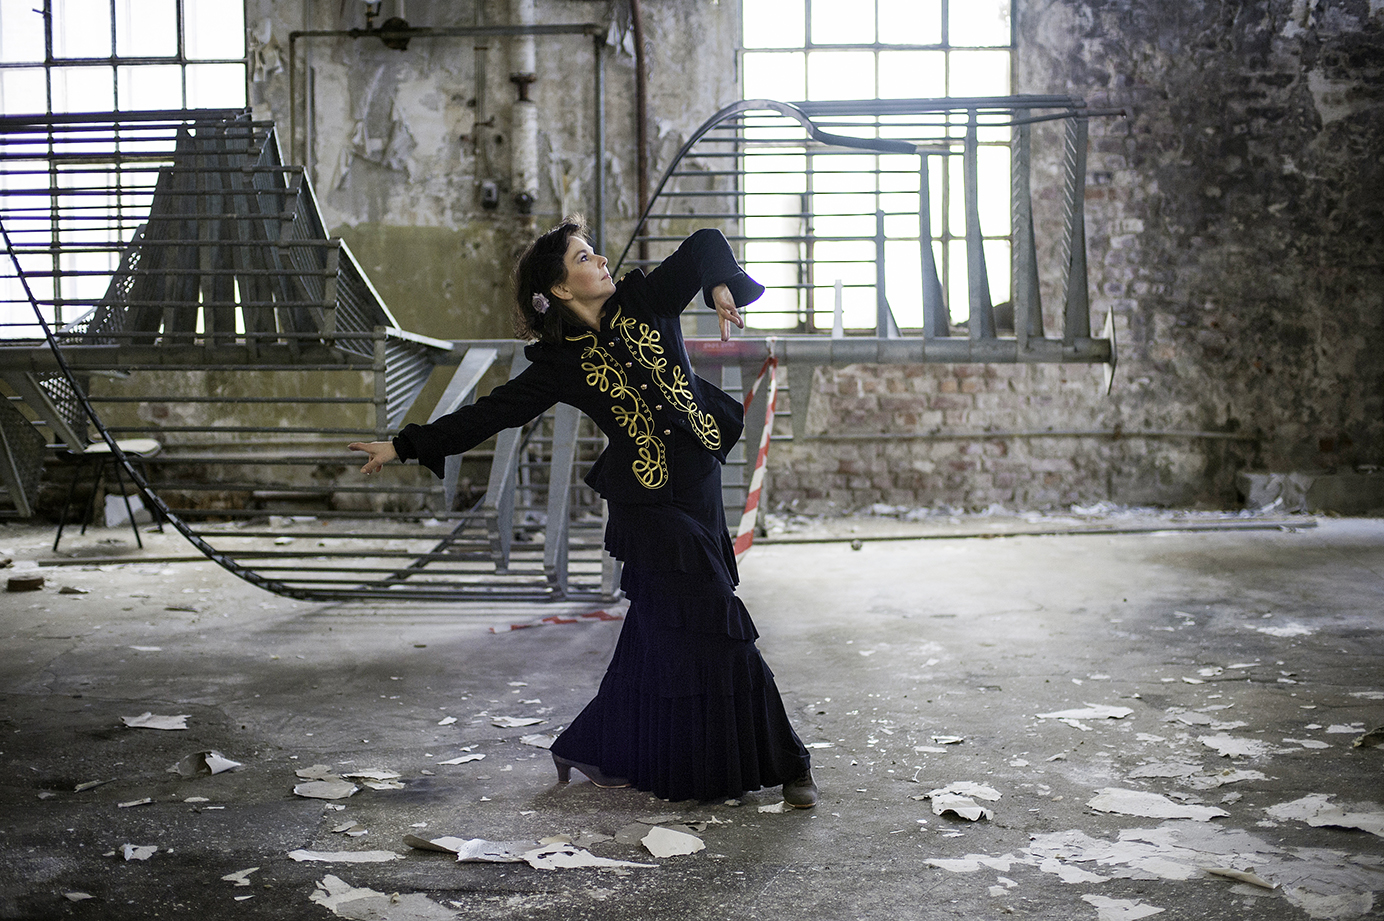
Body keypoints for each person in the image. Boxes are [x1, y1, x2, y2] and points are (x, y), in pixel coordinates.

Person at [348, 217, 816, 807]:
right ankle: (789, 761)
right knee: (714, 616)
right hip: (647, 503)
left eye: (594, 252)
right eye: (584, 257)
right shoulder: (559, 362)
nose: (601, 261)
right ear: (561, 288)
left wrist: (721, 284)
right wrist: (404, 445)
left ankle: (592, 746)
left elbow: (704, 243)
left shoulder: (647, 299)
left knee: (660, 629)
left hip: (699, 484)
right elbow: (492, 413)